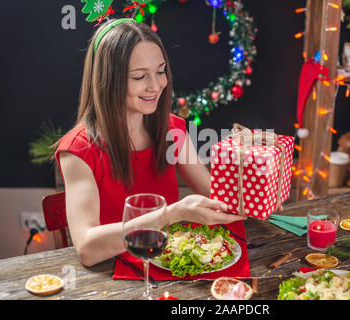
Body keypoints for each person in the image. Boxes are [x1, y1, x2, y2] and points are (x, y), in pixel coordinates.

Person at [55, 18, 246, 267]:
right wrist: (172, 213)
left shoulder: (173, 129)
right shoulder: (78, 151)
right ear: (108, 81)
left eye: (160, 71)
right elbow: (87, 248)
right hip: (113, 274)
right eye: (139, 76)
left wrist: (257, 174)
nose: (156, 85)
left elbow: (215, 196)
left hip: (168, 264)